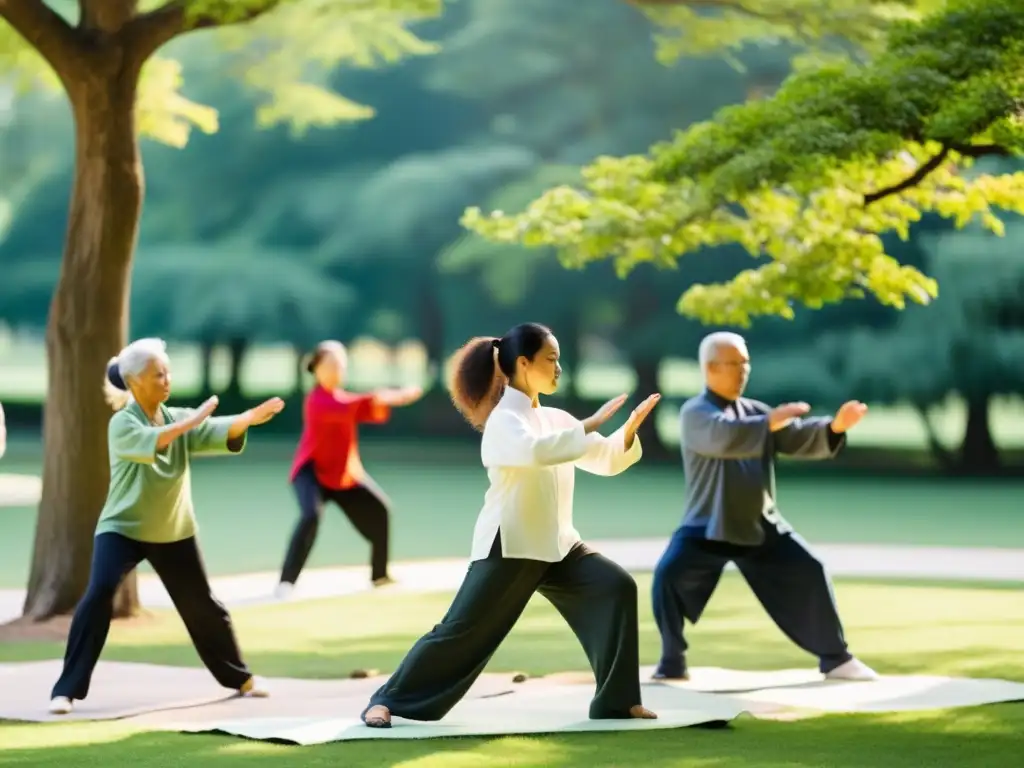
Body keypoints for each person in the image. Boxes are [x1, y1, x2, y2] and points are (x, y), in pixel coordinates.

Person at [360, 322, 662, 729]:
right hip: (511, 545)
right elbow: (534, 453)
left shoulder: (555, 418)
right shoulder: (504, 421)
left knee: (615, 587)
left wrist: (627, 432)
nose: (559, 369)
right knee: (460, 631)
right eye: (551, 360)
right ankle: (386, 701)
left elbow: (603, 460)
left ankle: (617, 701)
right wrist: (587, 425)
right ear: (523, 363)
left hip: (559, 546)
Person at [48, 338, 285, 715]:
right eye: (159, 374)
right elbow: (159, 440)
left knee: (202, 606)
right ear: (136, 381)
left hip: (173, 529)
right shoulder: (121, 424)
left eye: (168, 372)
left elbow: (212, 430)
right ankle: (66, 690)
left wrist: (247, 419)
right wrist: (193, 420)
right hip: (122, 527)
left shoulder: (175, 418)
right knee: (99, 594)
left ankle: (241, 679)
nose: (167, 379)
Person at [650, 331, 878, 682]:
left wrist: (834, 427)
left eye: (746, 363)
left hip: (759, 524)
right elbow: (724, 437)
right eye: (734, 364)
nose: (743, 371)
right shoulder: (695, 412)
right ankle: (672, 661)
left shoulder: (755, 411)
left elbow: (797, 437)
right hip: (707, 524)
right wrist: (769, 422)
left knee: (810, 569)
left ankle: (836, 658)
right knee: (668, 578)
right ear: (710, 368)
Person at [276, 340, 423, 597]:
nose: (336, 371)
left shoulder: (345, 400)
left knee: (380, 511)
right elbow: (348, 407)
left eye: (340, 366)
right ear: (316, 368)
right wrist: (385, 395)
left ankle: (379, 574)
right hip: (311, 472)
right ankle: (286, 582)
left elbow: (363, 408)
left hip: (344, 474)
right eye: (331, 365)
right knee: (310, 516)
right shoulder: (315, 400)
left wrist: (390, 398)